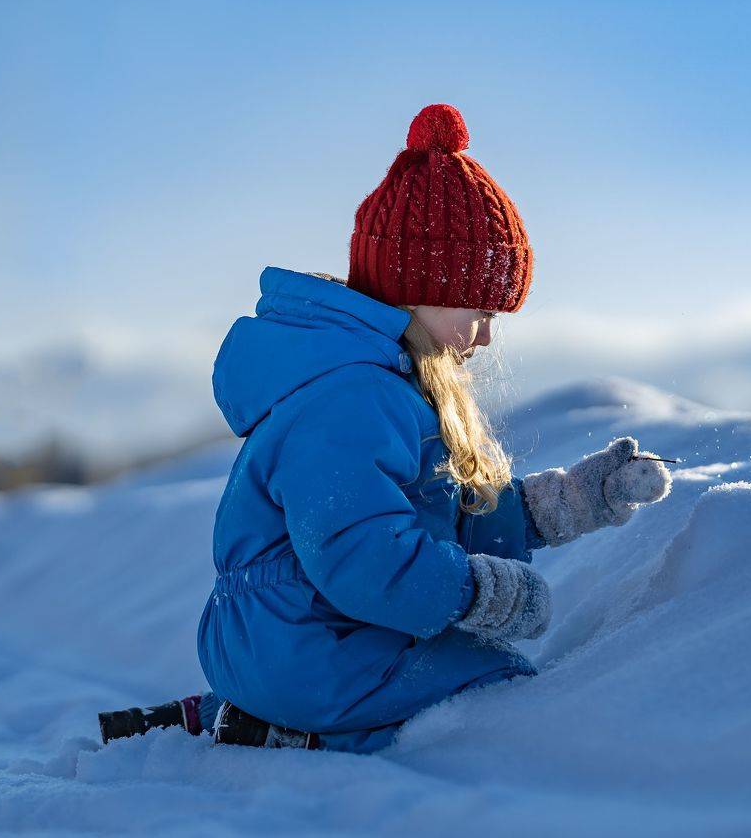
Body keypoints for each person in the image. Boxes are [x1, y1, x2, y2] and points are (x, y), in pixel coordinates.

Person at [98, 103, 673, 752]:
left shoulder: (381, 383)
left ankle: (242, 715)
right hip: (307, 647)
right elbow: (361, 553)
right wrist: (478, 594)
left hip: (298, 637)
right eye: (480, 311)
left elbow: (433, 513)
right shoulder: (353, 397)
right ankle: (299, 736)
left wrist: (565, 502)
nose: (486, 336)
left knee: (458, 665)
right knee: (497, 686)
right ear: (419, 289)